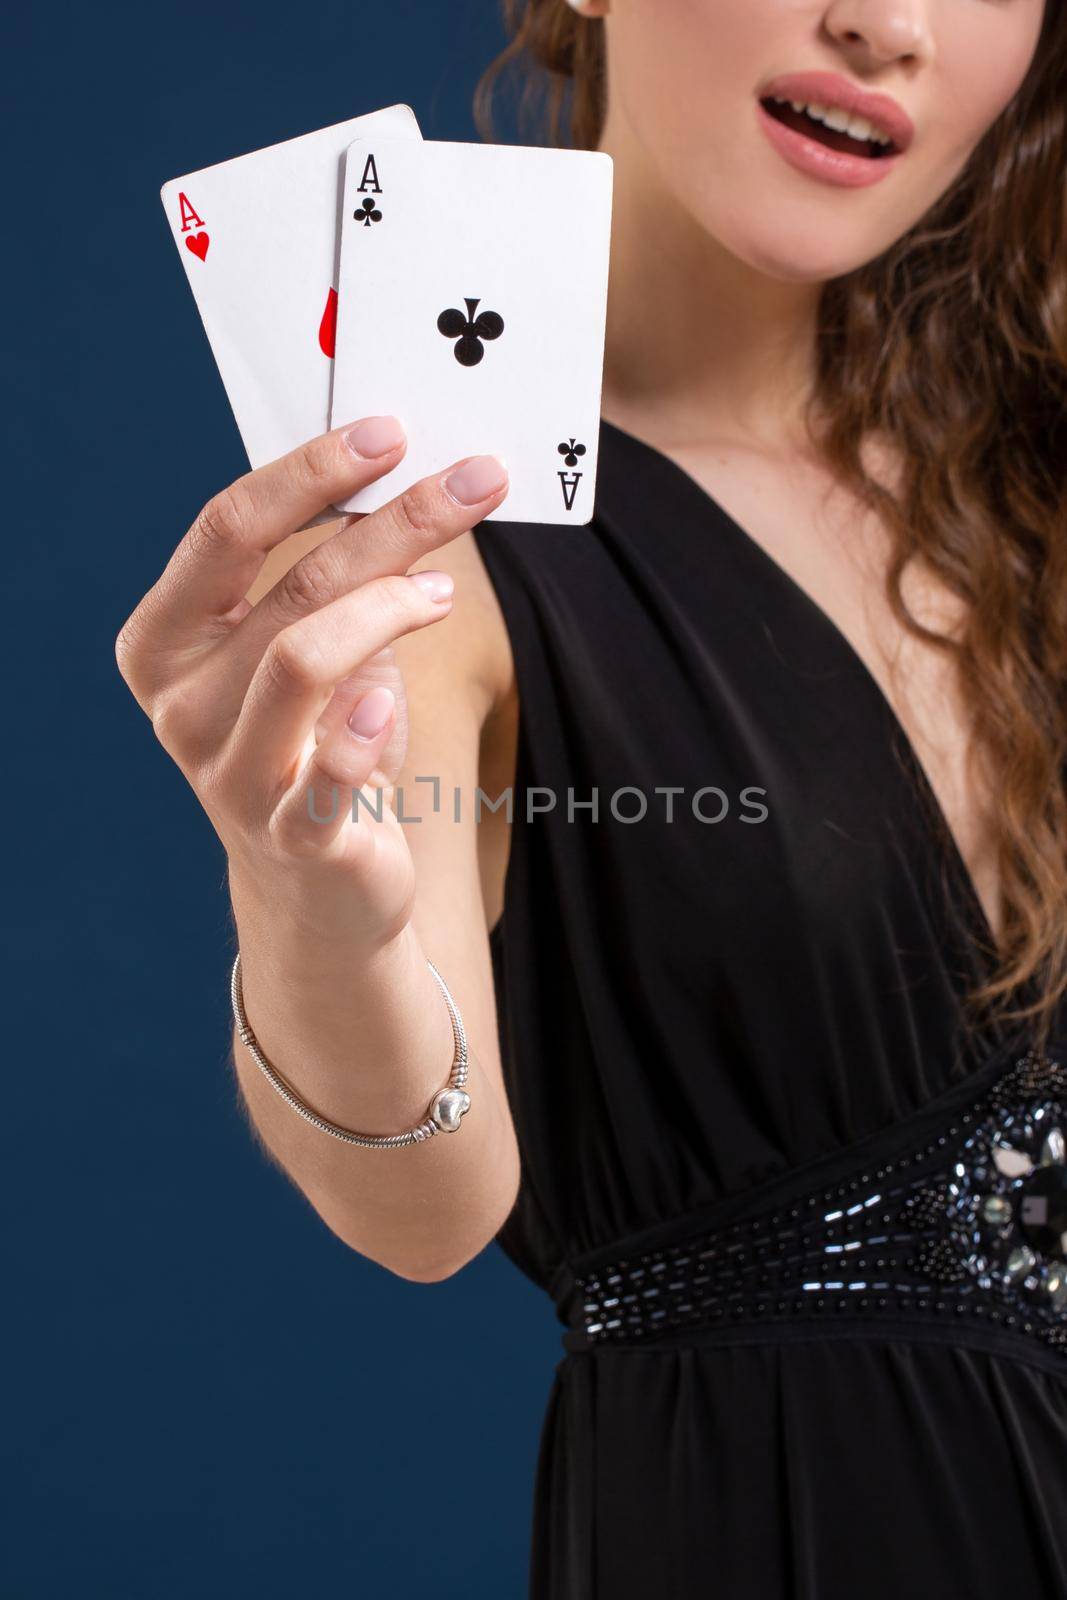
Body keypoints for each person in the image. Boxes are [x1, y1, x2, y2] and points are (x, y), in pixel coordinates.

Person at [116, 0, 1067, 1593]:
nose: (887, 23)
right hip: (795, 1529)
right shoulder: (417, 546)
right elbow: (424, 1208)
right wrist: (317, 923)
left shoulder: (1030, 483)